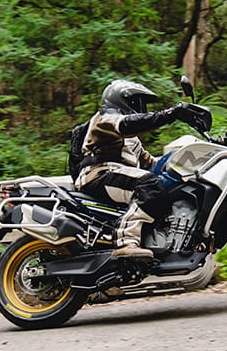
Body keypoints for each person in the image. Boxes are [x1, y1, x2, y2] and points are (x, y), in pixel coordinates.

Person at [75, 79, 201, 259]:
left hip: (118, 174)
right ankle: (126, 242)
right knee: (151, 185)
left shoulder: (132, 139)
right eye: (137, 102)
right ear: (122, 99)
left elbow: (151, 163)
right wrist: (170, 114)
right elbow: (127, 124)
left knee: (163, 182)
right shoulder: (106, 117)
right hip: (99, 173)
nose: (141, 108)